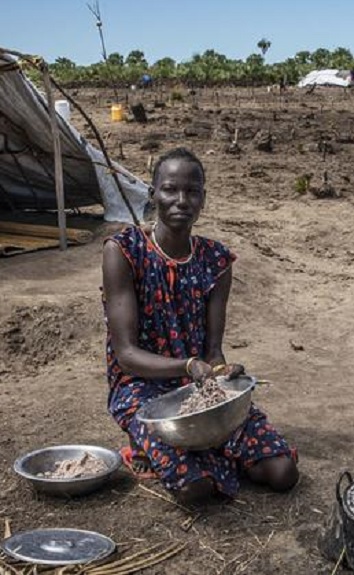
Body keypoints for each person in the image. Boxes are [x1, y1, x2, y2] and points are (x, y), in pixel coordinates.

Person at [102, 147, 298, 503]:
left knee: (282, 473)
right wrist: (188, 366)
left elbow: (212, 352)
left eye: (192, 192)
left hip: (198, 386)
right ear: (153, 194)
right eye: (170, 189)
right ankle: (150, 443)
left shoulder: (215, 260)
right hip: (140, 387)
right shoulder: (124, 251)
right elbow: (126, 355)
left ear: (203, 199)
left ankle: (210, 450)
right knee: (196, 489)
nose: (181, 200)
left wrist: (223, 372)